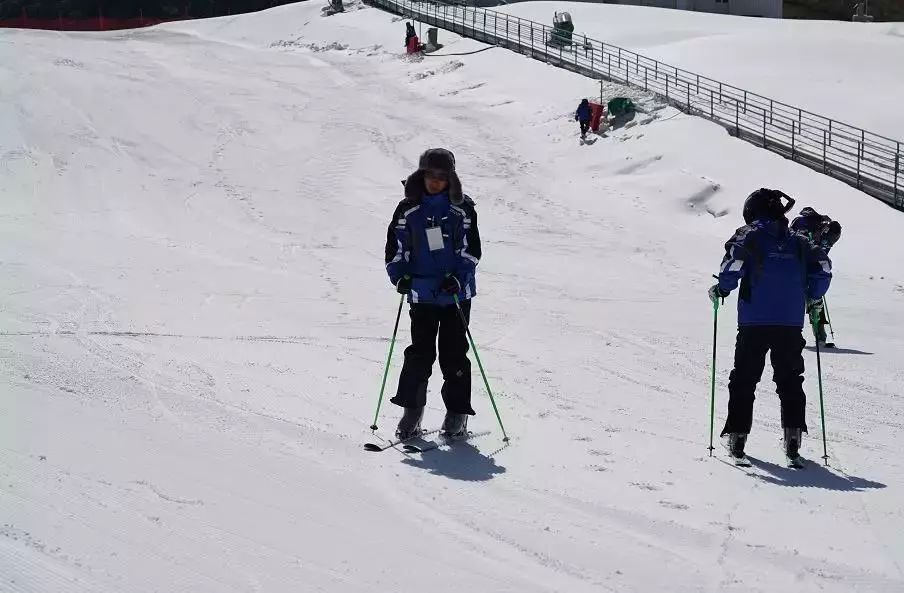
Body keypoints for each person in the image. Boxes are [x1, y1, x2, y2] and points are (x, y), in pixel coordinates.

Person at [709, 189, 832, 466]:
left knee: (744, 380)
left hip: (754, 322)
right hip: (789, 324)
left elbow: (733, 264)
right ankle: (792, 440)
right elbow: (822, 266)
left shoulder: (748, 235)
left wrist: (723, 288)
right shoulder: (799, 241)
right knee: (790, 382)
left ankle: (737, 438)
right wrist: (812, 294)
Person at [384, 148, 481, 440]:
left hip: (455, 295)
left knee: (453, 355)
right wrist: (399, 276)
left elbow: (471, 251)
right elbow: (395, 248)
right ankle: (411, 412)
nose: (436, 181)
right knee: (419, 355)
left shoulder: (462, 209)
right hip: (422, 293)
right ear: (421, 175)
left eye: (442, 176)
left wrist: (459, 278)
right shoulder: (408, 208)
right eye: (431, 175)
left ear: (450, 178)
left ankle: (457, 414)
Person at [791, 207, 842, 346]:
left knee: (813, 298)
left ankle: (819, 336)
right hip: (799, 266)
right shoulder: (809, 228)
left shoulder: (822, 232)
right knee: (809, 298)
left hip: (803, 265)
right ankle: (815, 336)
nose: (829, 244)